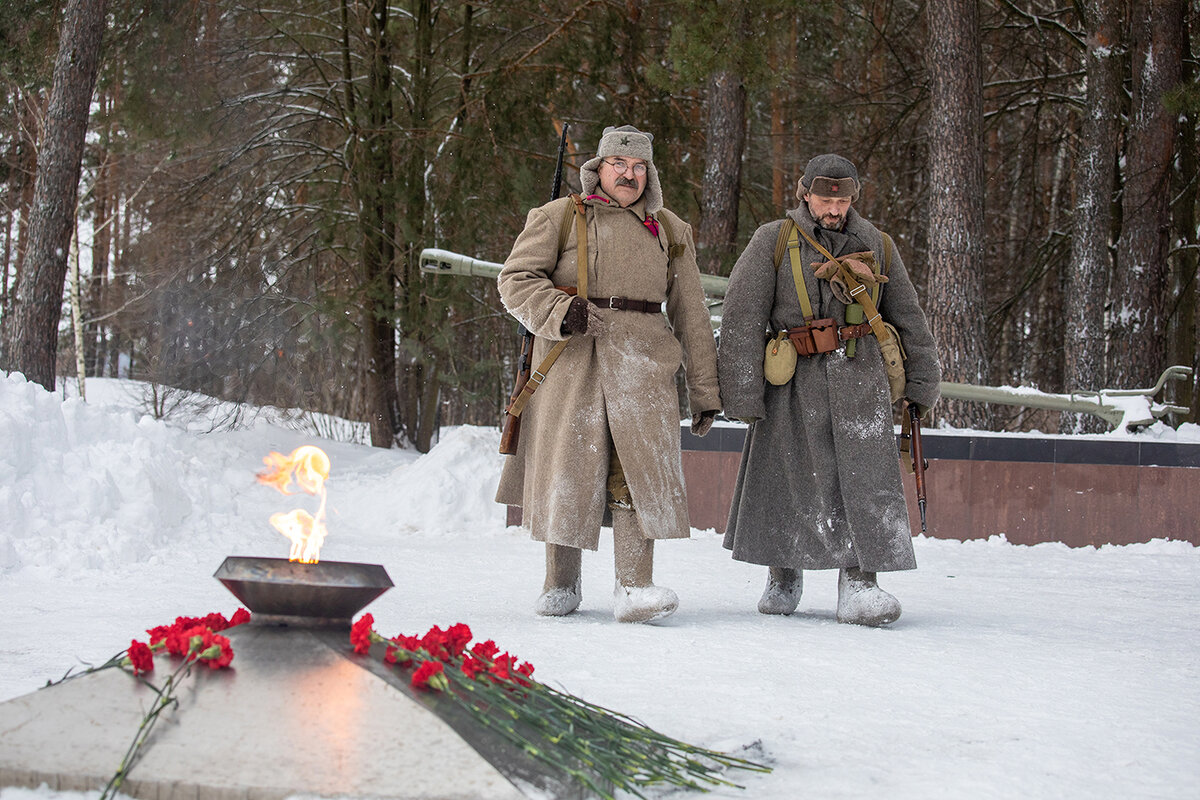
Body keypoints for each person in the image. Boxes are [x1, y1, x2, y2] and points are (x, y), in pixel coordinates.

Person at [495, 125, 720, 624]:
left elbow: (691, 311)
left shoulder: (669, 229)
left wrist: (705, 388)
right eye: (620, 165)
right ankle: (560, 582)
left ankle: (634, 587)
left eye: (640, 167)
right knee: (567, 470)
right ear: (599, 167)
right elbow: (514, 280)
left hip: (644, 365)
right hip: (572, 362)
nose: (630, 175)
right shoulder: (558, 216)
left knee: (635, 474)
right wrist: (560, 310)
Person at [717, 153, 941, 626]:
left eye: (842, 200)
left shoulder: (877, 244)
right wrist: (742, 392)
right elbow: (740, 316)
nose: (834, 209)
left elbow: (908, 316)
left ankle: (861, 583)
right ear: (805, 193)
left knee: (866, 482)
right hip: (792, 378)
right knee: (787, 477)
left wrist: (921, 382)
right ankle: (783, 574)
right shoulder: (772, 240)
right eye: (824, 199)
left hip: (861, 380)